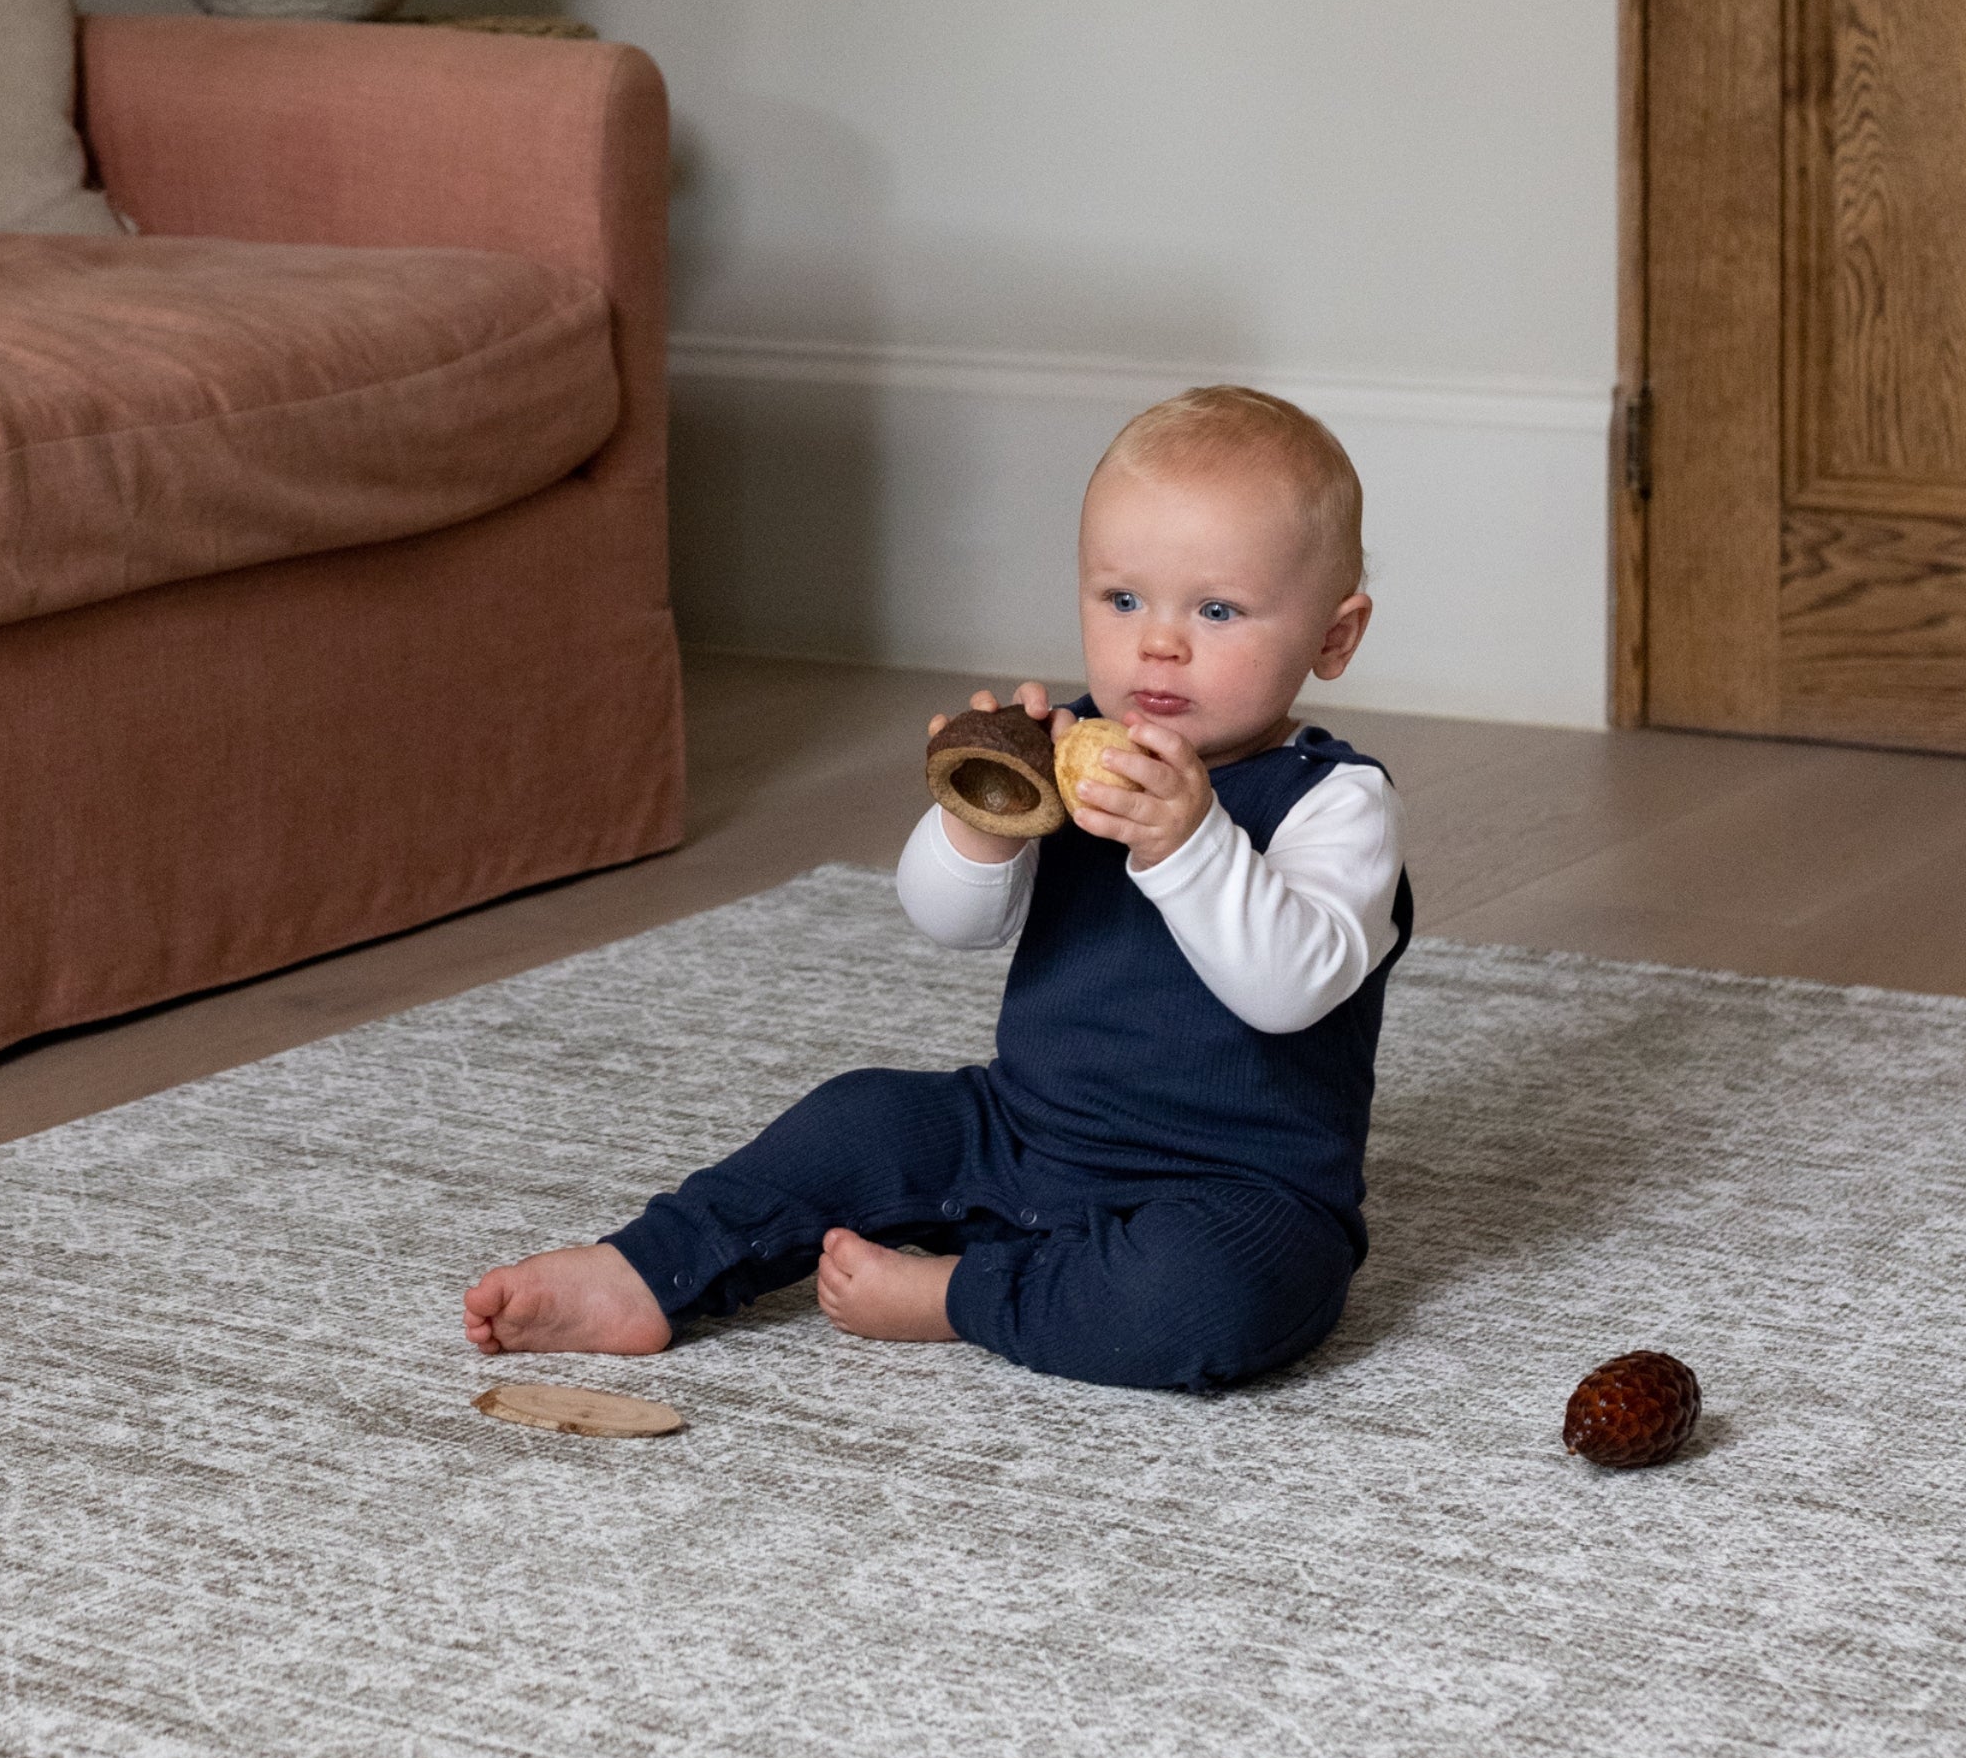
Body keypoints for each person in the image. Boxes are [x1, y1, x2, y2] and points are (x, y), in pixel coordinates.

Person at [464, 385, 1411, 1396]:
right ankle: (649, 1269)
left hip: (1232, 1189)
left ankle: (961, 1294)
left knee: (1211, 1300)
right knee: (859, 1119)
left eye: (1217, 609)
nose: (1158, 642)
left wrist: (1188, 842)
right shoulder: (1065, 748)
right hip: (1023, 1130)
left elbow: (1289, 987)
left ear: (1334, 636)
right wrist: (978, 818)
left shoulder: (1336, 803)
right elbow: (949, 920)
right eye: (1122, 598)